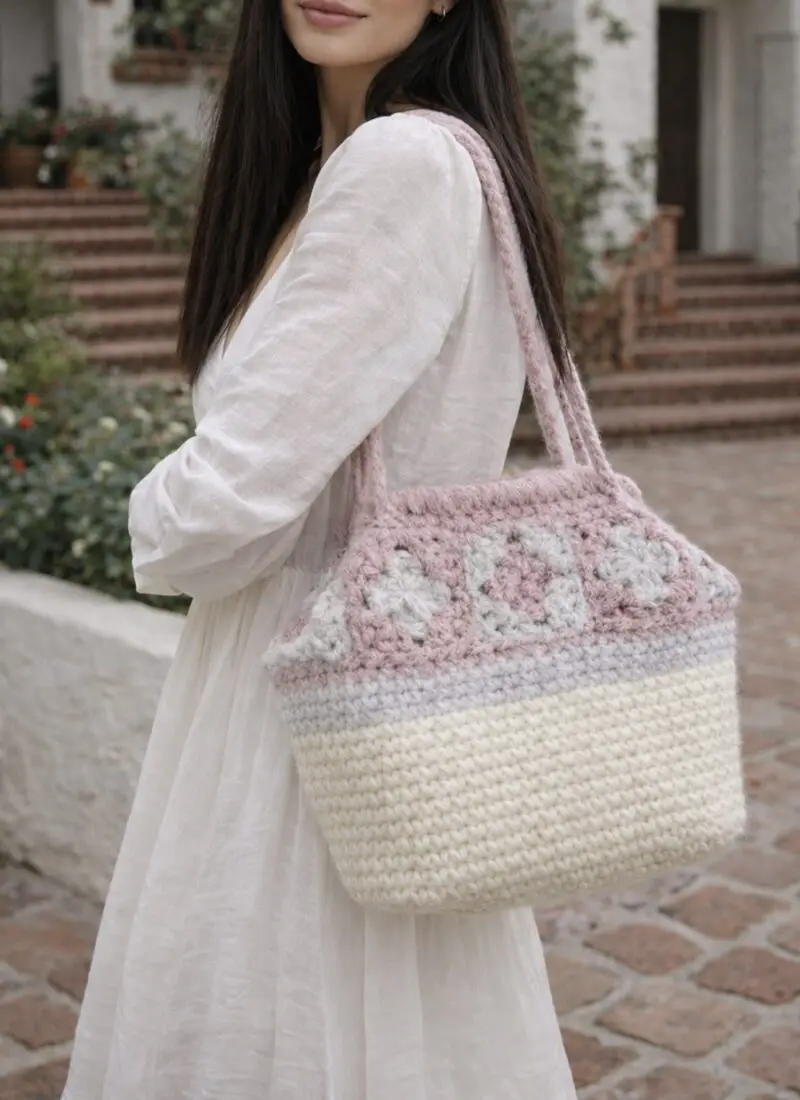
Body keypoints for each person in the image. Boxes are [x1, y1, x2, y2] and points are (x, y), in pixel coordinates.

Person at [61, 0, 578, 1096]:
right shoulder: (350, 166)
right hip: (369, 678)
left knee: (285, 1017)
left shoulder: (401, 163)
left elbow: (231, 500)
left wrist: (144, 517)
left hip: (311, 691)